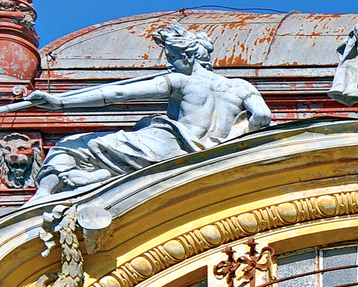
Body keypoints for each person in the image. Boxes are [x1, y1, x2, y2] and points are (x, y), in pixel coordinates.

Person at [26, 25, 272, 199]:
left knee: (70, 145)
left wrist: (59, 103)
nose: (169, 63)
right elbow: (263, 117)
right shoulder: (241, 86)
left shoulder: (181, 81)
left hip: (168, 147)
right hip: (216, 152)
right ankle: (90, 179)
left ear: (187, 57)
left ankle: (44, 196)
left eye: (173, 57)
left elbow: (117, 94)